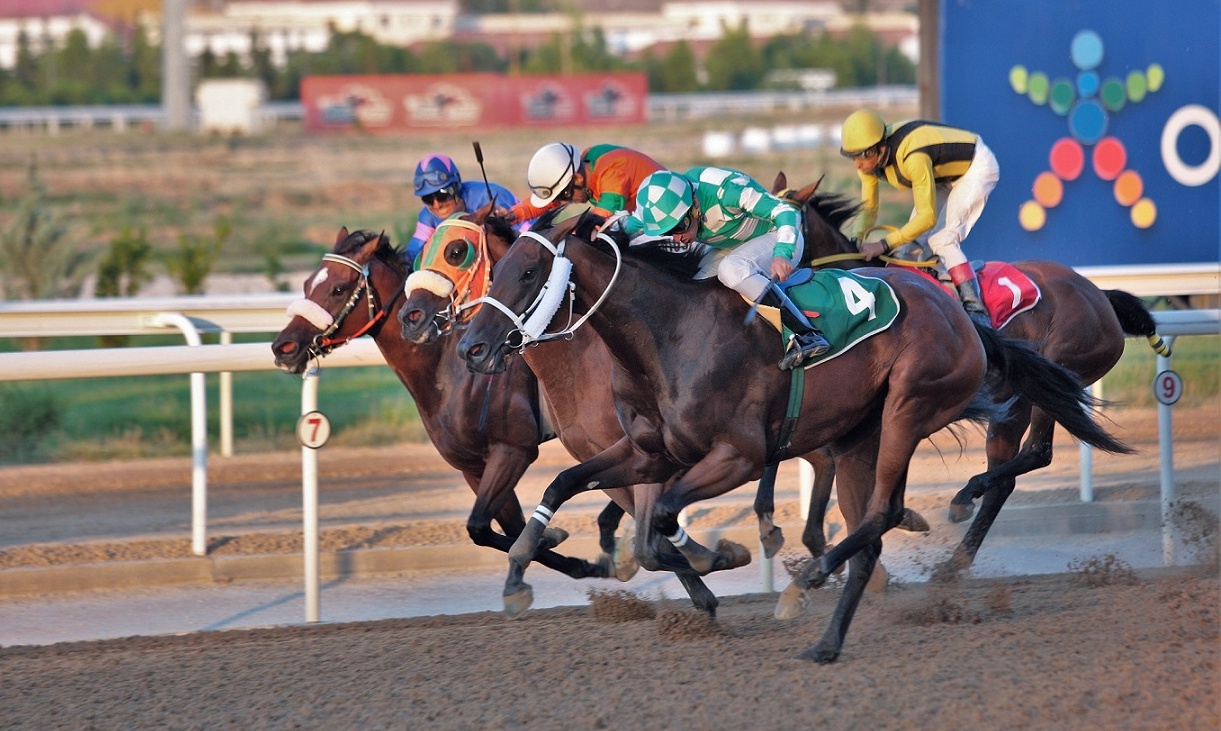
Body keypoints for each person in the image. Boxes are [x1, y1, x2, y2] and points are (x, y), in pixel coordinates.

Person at [624, 167, 831, 370]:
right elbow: (626, 226)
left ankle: (805, 333)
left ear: (695, 205)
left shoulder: (727, 191)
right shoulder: (666, 207)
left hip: (780, 238)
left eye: (679, 226)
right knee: (694, 282)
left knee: (731, 270)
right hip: (736, 246)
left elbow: (786, 211)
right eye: (668, 232)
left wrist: (782, 253)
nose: (677, 237)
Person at [839, 109, 999, 323]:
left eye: (863, 156)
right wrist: (855, 238)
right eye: (853, 156)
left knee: (941, 240)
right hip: (942, 175)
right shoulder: (869, 163)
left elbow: (926, 218)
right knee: (907, 250)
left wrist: (883, 245)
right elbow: (869, 209)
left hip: (975, 167)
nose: (858, 164)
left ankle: (976, 310)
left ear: (881, 147)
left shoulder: (913, 156)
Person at [504, 142, 663, 224]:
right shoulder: (585, 165)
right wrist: (512, 215)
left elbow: (601, 218)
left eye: (565, 194)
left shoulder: (612, 171)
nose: (565, 202)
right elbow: (549, 203)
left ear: (577, 179)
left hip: (673, 218)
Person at [407, 154, 520, 264]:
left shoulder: (489, 195)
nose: (437, 205)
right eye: (428, 198)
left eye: (443, 194)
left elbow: (527, 234)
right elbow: (412, 253)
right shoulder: (427, 215)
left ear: (456, 187)